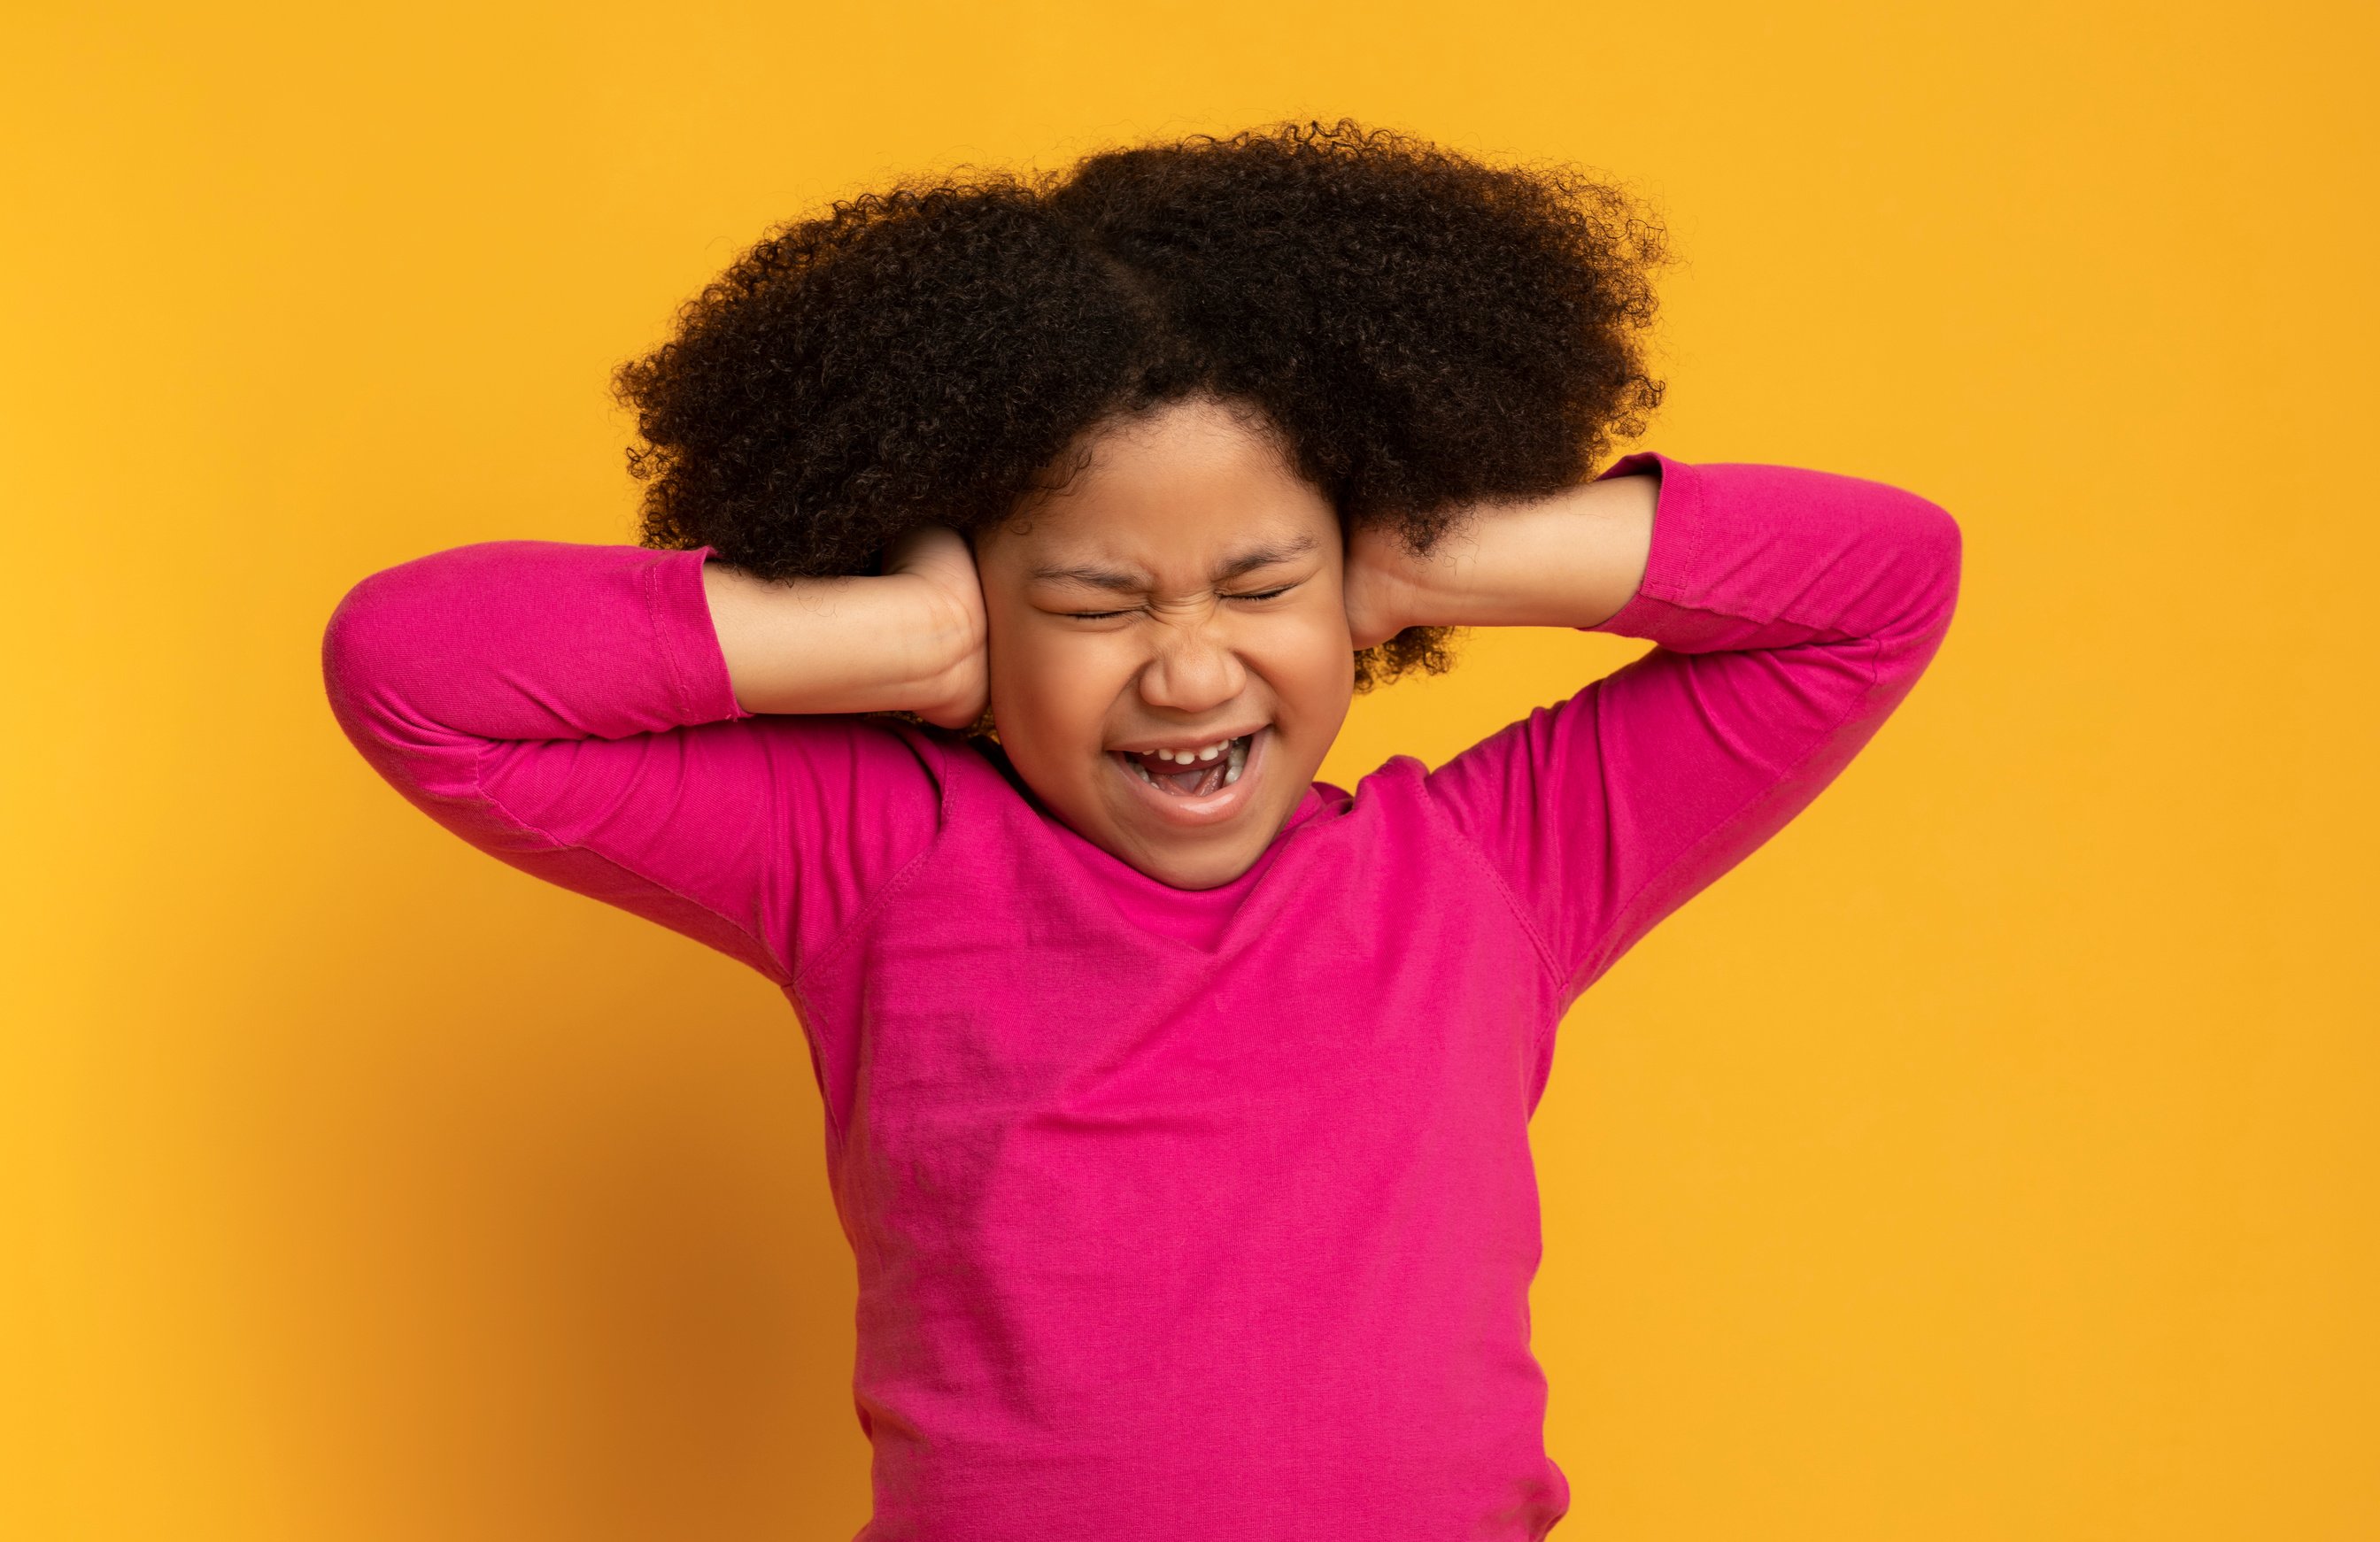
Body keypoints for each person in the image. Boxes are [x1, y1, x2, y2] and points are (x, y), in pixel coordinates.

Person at [321, 120, 1961, 1540]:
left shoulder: (1494, 869)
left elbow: (1883, 587)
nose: (1189, 666)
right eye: (1097, 602)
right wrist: (892, 645)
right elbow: (418, 677)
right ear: (969, 591)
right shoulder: (874, 864)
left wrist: (1432, 558)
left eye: (1261, 584)